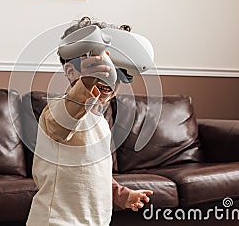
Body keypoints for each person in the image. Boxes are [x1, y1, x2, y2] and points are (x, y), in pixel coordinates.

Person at [26, 17, 153, 226]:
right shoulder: (59, 109)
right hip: (57, 221)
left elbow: (96, 173)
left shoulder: (101, 122)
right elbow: (61, 126)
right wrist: (87, 82)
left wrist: (120, 194)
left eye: (118, 73)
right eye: (100, 69)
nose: (109, 78)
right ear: (70, 72)